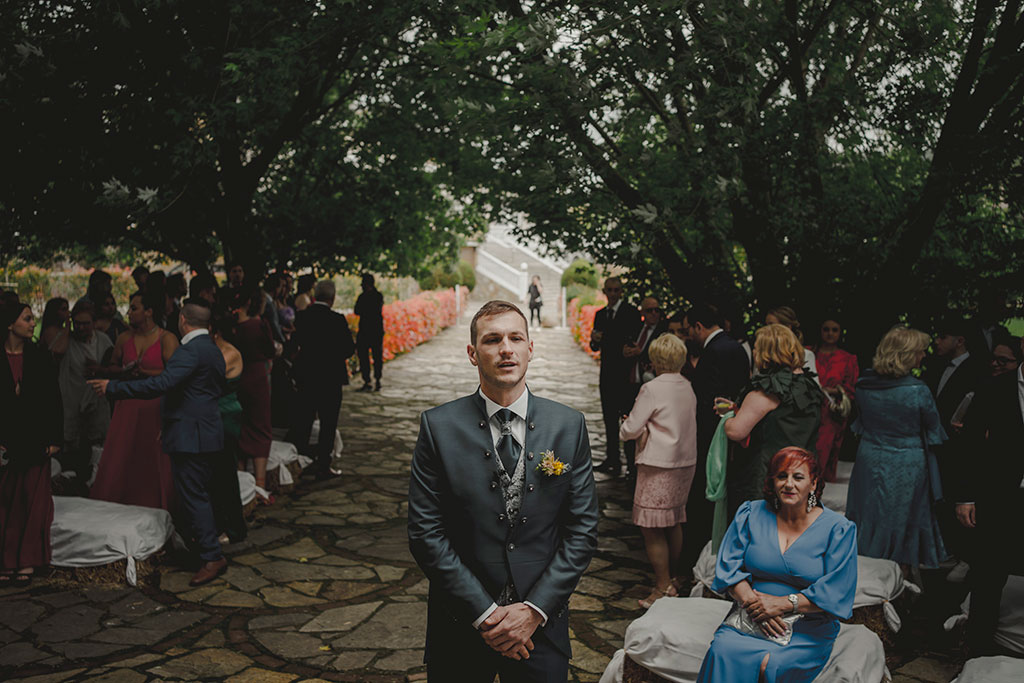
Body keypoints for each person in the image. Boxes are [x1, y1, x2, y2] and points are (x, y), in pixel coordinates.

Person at [408, 300, 599, 681]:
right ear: (472, 353)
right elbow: (425, 534)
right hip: (460, 625)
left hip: (540, 629)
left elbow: (582, 531)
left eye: (515, 338)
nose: (506, 348)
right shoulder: (437, 427)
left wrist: (533, 610)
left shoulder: (569, 425)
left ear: (531, 347)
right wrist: (487, 615)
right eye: (492, 340)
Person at [88, 299, 228, 586]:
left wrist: (113, 387)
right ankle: (201, 550)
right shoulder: (212, 350)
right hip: (203, 431)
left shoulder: (190, 351)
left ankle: (212, 556)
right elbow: (194, 393)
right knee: (196, 493)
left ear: (183, 320)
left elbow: (161, 385)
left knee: (193, 495)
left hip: (192, 436)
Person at [696, 447, 857, 683]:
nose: (789, 484)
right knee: (722, 651)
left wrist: (783, 605)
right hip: (748, 614)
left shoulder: (838, 529)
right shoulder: (750, 513)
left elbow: (837, 591)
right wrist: (757, 607)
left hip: (807, 625)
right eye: (782, 476)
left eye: (798, 477)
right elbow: (728, 568)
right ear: (772, 482)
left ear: (813, 484)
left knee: (772, 664)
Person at [845, 326, 947, 570]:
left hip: (869, 456)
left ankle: (864, 571)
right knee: (901, 519)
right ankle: (898, 577)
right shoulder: (917, 390)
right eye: (920, 351)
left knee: (869, 514)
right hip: (906, 462)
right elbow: (934, 429)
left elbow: (861, 421)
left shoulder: (863, 385)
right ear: (906, 354)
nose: (923, 356)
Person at [619, 333, 697, 609]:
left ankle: (662, 586)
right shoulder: (687, 385)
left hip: (658, 465)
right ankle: (675, 579)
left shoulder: (652, 388)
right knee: (674, 521)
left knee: (651, 527)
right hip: (685, 462)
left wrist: (625, 425)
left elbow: (631, 430)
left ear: (655, 359)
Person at [958, 333, 1024, 655]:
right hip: (1000, 495)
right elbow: (969, 443)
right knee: (988, 576)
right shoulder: (995, 387)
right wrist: (965, 496)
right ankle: (977, 652)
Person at [716, 324, 822, 521]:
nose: (754, 351)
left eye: (757, 347)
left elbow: (736, 431)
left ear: (766, 352)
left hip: (767, 478)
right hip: (803, 477)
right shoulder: (809, 386)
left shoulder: (767, 389)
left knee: (762, 535)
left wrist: (728, 419)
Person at [89, 292, 179, 510]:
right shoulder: (123, 338)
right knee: (123, 457)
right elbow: (113, 366)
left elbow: (174, 375)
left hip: (154, 406)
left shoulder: (166, 338)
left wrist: (144, 370)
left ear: (148, 312)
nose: (128, 313)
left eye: (134, 308)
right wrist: (119, 371)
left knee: (150, 458)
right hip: (126, 405)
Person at [681, 303, 752, 568]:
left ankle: (701, 556)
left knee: (705, 495)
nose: (690, 335)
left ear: (699, 326)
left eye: (690, 329)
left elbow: (709, 398)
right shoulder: (735, 346)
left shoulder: (716, 350)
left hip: (713, 434)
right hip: (725, 430)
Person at [0, 303, 62, 586]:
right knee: (5, 502)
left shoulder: (39, 358)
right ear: (10, 324)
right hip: (6, 442)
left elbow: (53, 400)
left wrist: (54, 440)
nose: (32, 322)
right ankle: (5, 561)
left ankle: (25, 561)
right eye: (26, 318)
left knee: (31, 501)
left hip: (35, 442)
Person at [289, 280, 356, 480]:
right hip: (330, 378)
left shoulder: (302, 317)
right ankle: (323, 465)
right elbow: (348, 349)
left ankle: (299, 461)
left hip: (306, 377)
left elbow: (293, 346)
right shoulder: (337, 319)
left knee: (304, 419)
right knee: (328, 423)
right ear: (332, 298)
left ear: (314, 296)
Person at [55, 300, 114, 480]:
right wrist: (67, 327)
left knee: (97, 444)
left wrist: (99, 369)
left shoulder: (103, 340)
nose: (81, 327)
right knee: (73, 445)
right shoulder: (67, 340)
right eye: (77, 323)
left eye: (86, 323)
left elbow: (113, 366)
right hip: (72, 399)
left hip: (97, 400)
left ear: (93, 323)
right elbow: (57, 352)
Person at [589, 277, 642, 476]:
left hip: (626, 375)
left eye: (616, 290)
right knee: (609, 419)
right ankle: (612, 459)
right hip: (607, 374)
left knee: (627, 419)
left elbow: (631, 340)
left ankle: (630, 464)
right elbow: (595, 345)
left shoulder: (631, 313)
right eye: (609, 290)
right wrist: (595, 339)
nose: (612, 294)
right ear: (604, 291)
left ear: (621, 292)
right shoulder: (600, 314)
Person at [228, 285, 276, 495]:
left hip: (237, 376)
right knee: (261, 426)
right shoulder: (260, 325)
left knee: (243, 426)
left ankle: (242, 483)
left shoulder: (232, 327)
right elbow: (270, 350)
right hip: (257, 377)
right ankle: (260, 484)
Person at [211, 308, 246, 543]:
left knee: (224, 474)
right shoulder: (210, 351)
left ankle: (233, 527)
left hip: (225, 416)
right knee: (212, 475)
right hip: (211, 415)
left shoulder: (229, 353)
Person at [622, 296, 667, 477]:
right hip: (631, 384)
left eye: (657, 310)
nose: (654, 314)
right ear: (642, 312)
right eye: (649, 310)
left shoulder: (663, 332)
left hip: (650, 385)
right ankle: (630, 468)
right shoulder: (637, 329)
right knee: (629, 423)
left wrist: (642, 354)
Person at [811, 317, 859, 482]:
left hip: (831, 413)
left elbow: (851, 389)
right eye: (826, 329)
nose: (830, 333)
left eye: (834, 330)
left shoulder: (847, 358)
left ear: (840, 333)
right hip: (808, 409)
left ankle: (817, 498)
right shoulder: (809, 353)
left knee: (824, 453)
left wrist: (832, 390)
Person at [765, 306, 817, 378]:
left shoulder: (805, 355)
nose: (767, 330)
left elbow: (813, 386)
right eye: (766, 325)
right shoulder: (764, 354)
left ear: (787, 327)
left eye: (772, 325)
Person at [355, 273, 385, 392]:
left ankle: (369, 381)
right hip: (374, 330)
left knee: (367, 357)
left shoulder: (364, 297)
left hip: (367, 331)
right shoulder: (378, 296)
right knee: (375, 356)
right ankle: (375, 380)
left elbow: (357, 310)